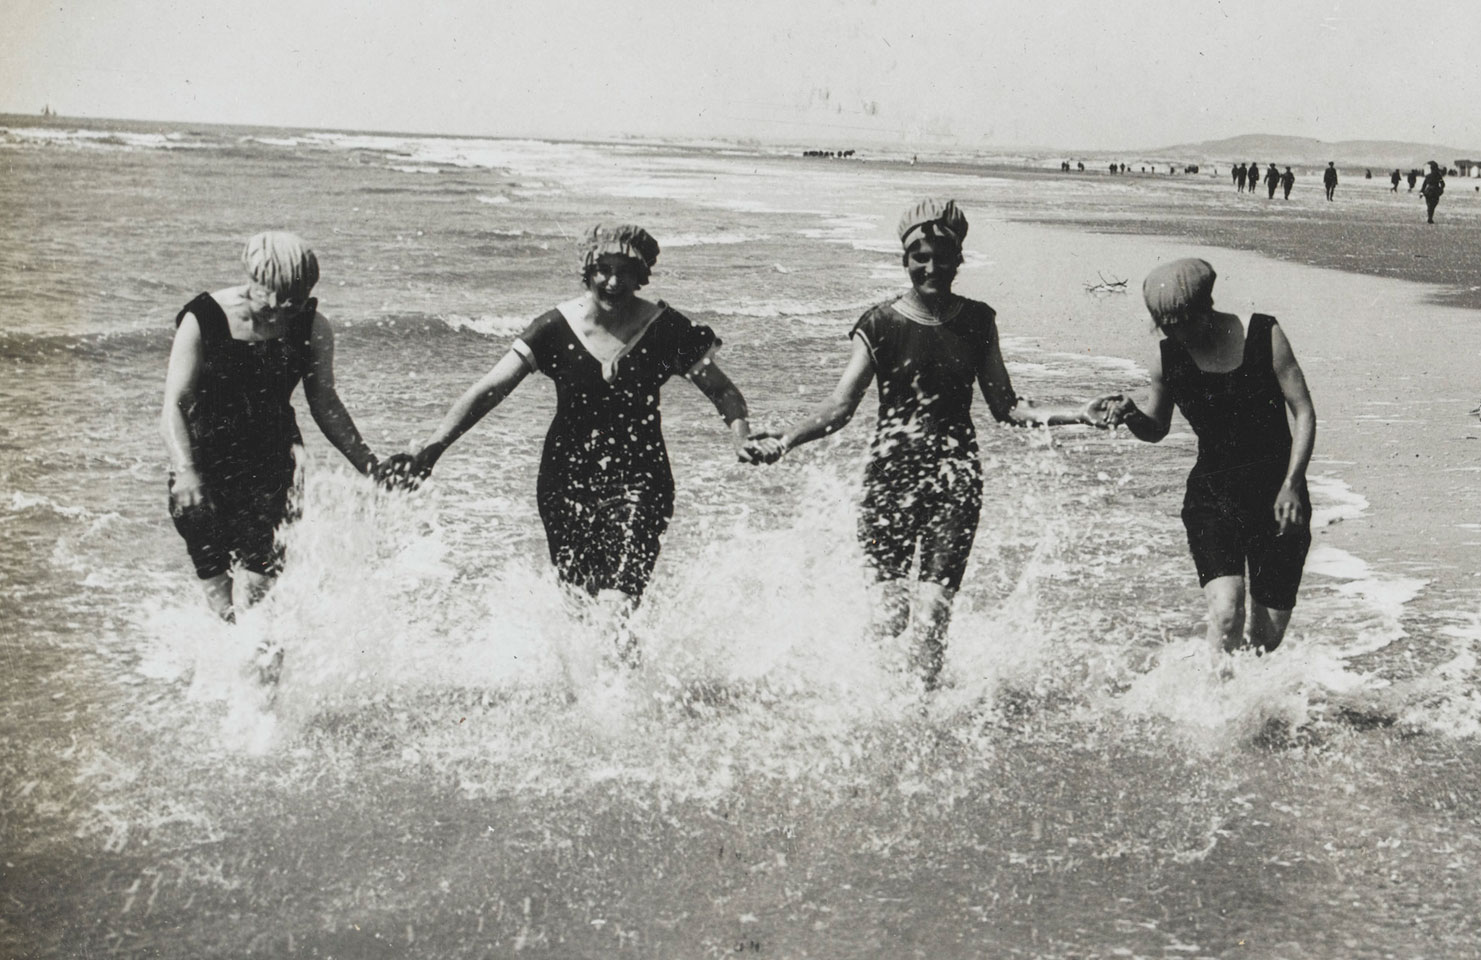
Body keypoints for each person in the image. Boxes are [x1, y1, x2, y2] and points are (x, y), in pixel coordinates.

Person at [748, 200, 1106, 688]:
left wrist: (1078, 415)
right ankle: (875, 698)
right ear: (905, 260)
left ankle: (922, 709)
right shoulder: (878, 325)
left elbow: (1008, 408)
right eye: (920, 257)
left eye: (942, 256)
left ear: (959, 259)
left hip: (955, 483)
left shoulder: (978, 321)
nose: (931, 267)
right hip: (888, 482)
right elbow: (840, 407)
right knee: (891, 614)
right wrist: (785, 441)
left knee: (934, 613)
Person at [391, 224, 761, 602]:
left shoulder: (667, 330)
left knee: (618, 605)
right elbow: (489, 390)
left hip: (641, 478)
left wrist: (741, 434)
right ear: (587, 270)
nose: (614, 281)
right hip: (564, 479)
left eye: (625, 271)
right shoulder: (554, 328)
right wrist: (433, 450)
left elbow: (723, 391)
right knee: (580, 604)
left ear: (641, 275)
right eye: (604, 269)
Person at [161, 232, 386, 628]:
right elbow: (174, 405)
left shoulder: (314, 327)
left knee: (258, 602)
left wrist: (368, 464)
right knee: (221, 603)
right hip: (204, 470)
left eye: (293, 302)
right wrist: (185, 471)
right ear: (253, 278)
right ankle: (234, 679)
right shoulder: (203, 318)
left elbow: (325, 403)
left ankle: (260, 687)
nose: (280, 310)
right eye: (273, 297)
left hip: (274, 471)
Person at [1101, 259, 1316, 654]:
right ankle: (1211, 712)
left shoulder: (1264, 334)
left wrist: (1292, 485)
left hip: (1279, 500)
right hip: (1213, 499)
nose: (1177, 332)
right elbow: (1157, 428)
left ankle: (1248, 709)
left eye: (1184, 321)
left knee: (1265, 641)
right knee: (1226, 613)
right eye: (1167, 325)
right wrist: (1131, 413)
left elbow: (1303, 410)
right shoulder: (1167, 359)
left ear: (1206, 306)